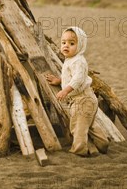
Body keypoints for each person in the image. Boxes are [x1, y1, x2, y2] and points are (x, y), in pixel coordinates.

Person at [45, 26, 109, 156]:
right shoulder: (71, 60)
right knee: (89, 125)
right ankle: (103, 144)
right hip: (86, 99)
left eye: (72, 43)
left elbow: (78, 79)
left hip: (82, 100)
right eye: (63, 43)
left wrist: (65, 91)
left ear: (80, 46)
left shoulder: (79, 61)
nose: (66, 46)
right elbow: (70, 76)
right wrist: (59, 81)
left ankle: (79, 150)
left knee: (78, 127)